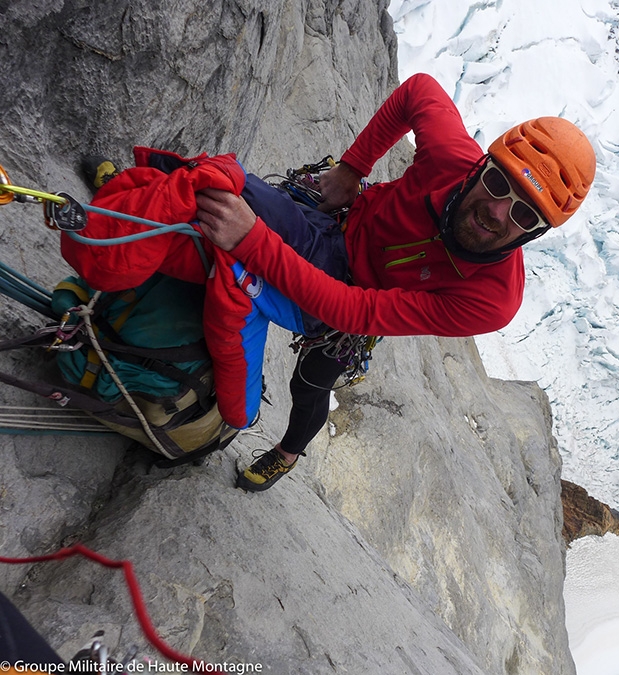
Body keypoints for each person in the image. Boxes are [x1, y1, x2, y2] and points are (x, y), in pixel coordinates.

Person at [195, 72, 596, 492]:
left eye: (524, 214)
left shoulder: (493, 298)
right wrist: (351, 169)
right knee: (218, 184)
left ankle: (287, 453)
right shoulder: (449, 160)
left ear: (534, 234)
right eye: (499, 183)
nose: (497, 211)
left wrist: (252, 241)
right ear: (482, 166)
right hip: (335, 230)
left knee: (310, 382)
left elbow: (355, 310)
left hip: (359, 303)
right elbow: (419, 89)